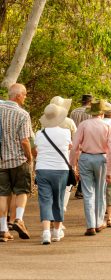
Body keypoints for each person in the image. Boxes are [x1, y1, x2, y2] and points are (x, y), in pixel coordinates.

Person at [69, 100, 111, 236]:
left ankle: (90, 225)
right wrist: (110, 171)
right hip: (101, 159)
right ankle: (98, 222)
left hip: (86, 158)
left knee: (88, 192)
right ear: (102, 112)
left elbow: (75, 146)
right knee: (100, 191)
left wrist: (73, 165)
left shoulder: (83, 125)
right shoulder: (107, 127)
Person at [34, 104, 71, 244]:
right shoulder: (66, 133)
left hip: (42, 168)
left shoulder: (39, 134)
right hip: (61, 169)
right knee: (59, 199)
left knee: (45, 200)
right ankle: (56, 231)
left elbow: (37, 149)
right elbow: (69, 147)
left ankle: (45, 232)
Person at [0, 83, 33, 242]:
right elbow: (25, 141)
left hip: (1, 161)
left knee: (2, 194)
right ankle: (18, 219)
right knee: (22, 191)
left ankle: (3, 229)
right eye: (25, 94)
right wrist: (30, 157)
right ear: (18, 95)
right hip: (18, 159)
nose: (25, 97)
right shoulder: (22, 114)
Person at [49, 96, 77, 212]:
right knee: (67, 185)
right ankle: (61, 208)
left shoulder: (45, 121)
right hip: (66, 156)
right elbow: (75, 142)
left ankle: (52, 208)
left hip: (50, 156)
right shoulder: (69, 122)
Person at [70, 94, 93, 199]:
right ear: (90, 102)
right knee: (85, 167)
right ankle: (80, 189)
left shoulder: (74, 112)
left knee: (74, 165)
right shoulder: (90, 112)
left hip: (74, 140)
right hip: (85, 142)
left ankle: (71, 187)